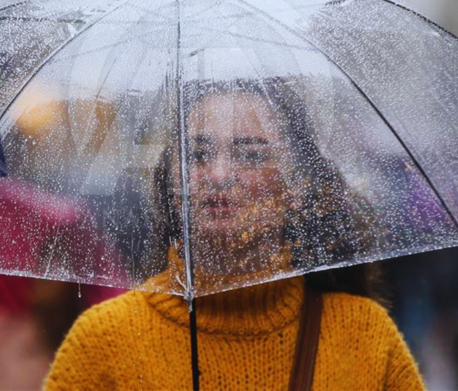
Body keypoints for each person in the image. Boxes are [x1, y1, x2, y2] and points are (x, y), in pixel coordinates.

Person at [44, 78, 425, 390]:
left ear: (296, 187)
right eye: (198, 154)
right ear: (170, 181)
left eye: (251, 155)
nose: (219, 175)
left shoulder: (365, 337)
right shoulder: (104, 341)